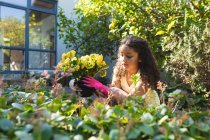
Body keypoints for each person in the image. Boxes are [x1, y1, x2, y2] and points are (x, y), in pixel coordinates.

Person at [74, 35, 160, 106]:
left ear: (140, 58)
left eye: (129, 56)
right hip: (129, 111)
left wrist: (103, 87)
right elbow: (112, 97)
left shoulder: (144, 78)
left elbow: (131, 102)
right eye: (122, 55)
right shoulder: (119, 70)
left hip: (149, 113)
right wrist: (96, 89)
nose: (123, 59)